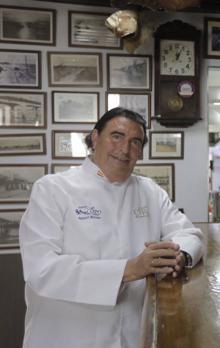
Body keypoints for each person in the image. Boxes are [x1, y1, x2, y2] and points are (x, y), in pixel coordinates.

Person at [19, 107, 204, 348]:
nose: (125, 149)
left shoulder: (149, 191)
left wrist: (179, 254)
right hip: (66, 334)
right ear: (95, 138)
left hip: (132, 332)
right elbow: (41, 270)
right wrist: (129, 269)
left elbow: (189, 234)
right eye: (116, 136)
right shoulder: (53, 189)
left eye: (135, 142)